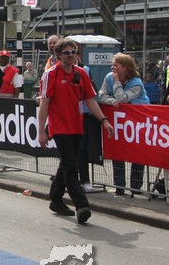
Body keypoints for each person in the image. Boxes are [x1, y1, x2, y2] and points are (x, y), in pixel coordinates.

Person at [37, 38, 114, 224]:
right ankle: (81, 205)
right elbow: (44, 103)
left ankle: (55, 199)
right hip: (59, 127)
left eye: (73, 52)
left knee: (66, 163)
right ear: (58, 55)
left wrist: (104, 120)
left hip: (77, 126)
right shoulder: (50, 74)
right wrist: (41, 131)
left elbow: (90, 100)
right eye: (67, 53)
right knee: (72, 167)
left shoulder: (81, 73)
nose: (71, 55)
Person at [95, 53, 150, 196]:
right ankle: (119, 185)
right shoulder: (109, 77)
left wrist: (116, 82)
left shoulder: (136, 82)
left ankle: (136, 186)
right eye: (112, 64)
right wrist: (111, 101)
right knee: (117, 151)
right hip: (119, 120)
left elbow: (122, 98)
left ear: (125, 67)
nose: (112, 67)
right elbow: (102, 95)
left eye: (116, 65)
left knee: (137, 152)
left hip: (137, 121)